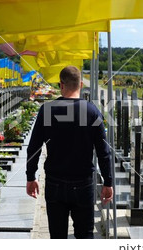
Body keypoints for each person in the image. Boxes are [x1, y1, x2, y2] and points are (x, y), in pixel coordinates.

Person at [26, 65, 113, 239]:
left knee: (57, 237)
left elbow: (34, 147)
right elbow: (103, 151)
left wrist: (31, 177)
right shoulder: (92, 111)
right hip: (83, 183)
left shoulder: (47, 110)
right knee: (85, 235)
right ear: (81, 84)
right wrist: (108, 181)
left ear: (61, 85)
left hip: (54, 183)